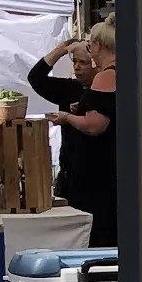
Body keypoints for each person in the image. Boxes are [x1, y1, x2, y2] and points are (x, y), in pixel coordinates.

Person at [28, 22, 120, 246]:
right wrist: (59, 50)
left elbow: (95, 125)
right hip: (76, 170)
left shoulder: (106, 77)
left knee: (97, 235)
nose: (77, 67)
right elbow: (36, 78)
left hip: (96, 174)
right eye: (74, 62)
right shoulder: (70, 88)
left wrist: (68, 117)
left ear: (97, 47)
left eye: (84, 61)